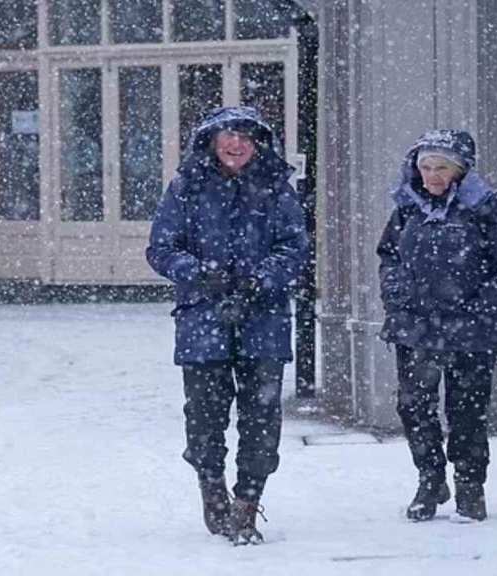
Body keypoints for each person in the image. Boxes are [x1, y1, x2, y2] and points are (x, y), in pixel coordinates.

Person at [146, 106, 309, 545]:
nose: (235, 145)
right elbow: (161, 248)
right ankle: (211, 485)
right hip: (203, 318)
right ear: (212, 142)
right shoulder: (185, 188)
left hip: (265, 319)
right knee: (204, 415)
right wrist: (200, 273)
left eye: (244, 137)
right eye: (227, 136)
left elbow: (296, 248)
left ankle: (247, 503)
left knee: (261, 416)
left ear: (257, 144)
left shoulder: (277, 190)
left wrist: (261, 278)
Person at [377, 130, 497, 523]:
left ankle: (469, 485)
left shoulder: (489, 209)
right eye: (425, 167)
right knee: (414, 407)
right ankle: (430, 479)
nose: (432, 175)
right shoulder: (408, 208)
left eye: (441, 167)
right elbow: (389, 257)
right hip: (414, 325)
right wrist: (397, 293)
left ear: (460, 170)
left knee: (467, 410)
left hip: (472, 329)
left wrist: (480, 304)